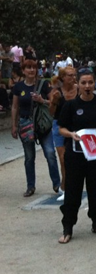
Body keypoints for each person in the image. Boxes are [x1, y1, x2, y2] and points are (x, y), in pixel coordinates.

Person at [57, 68, 96, 243]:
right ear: (78, 84)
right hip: (75, 154)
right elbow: (61, 128)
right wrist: (71, 135)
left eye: (90, 82)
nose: (87, 86)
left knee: (95, 189)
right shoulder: (70, 105)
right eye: (83, 83)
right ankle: (68, 228)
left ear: (95, 83)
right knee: (73, 191)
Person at [10, 58, 61, 197]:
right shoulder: (18, 87)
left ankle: (57, 184)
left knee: (50, 153)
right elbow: (15, 107)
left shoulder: (44, 84)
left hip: (42, 125)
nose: (31, 70)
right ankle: (30, 186)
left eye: (34, 67)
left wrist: (41, 100)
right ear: (23, 70)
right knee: (29, 157)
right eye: (28, 68)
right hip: (26, 124)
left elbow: (53, 101)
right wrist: (14, 125)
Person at [49, 67, 78, 200]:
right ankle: (65, 187)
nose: (72, 78)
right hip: (59, 125)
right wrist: (54, 101)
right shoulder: (56, 92)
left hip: (77, 126)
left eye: (74, 75)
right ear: (62, 78)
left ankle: (71, 184)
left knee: (77, 158)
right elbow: (51, 113)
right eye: (69, 75)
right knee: (63, 158)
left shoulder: (79, 89)